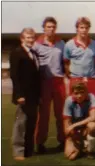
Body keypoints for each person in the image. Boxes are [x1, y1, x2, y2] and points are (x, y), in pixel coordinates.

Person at [33, 17, 66, 153]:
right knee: (44, 115)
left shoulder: (61, 43)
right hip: (45, 82)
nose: (51, 29)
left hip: (59, 81)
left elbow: (65, 63)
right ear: (44, 28)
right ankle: (40, 143)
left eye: (53, 27)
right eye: (48, 27)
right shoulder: (37, 44)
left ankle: (63, 141)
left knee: (61, 114)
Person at [10, 28, 41, 160]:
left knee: (31, 123)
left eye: (32, 37)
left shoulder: (34, 53)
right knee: (20, 123)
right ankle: (18, 151)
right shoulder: (17, 53)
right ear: (22, 39)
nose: (30, 40)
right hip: (23, 96)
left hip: (34, 96)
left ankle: (29, 150)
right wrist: (19, 95)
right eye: (28, 37)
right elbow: (14, 75)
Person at [64, 17, 95, 97]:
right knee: (76, 106)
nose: (84, 30)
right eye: (81, 27)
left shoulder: (94, 44)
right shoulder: (69, 44)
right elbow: (66, 63)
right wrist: (70, 75)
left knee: (91, 106)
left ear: (89, 29)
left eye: (86, 28)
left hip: (90, 79)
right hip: (76, 80)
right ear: (77, 29)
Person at [63, 82, 95, 160]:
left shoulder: (91, 97)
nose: (79, 96)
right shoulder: (68, 101)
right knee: (71, 157)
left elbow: (93, 117)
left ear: (86, 92)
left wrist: (74, 125)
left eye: (82, 92)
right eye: (76, 93)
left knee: (92, 125)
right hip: (74, 132)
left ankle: (89, 152)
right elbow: (67, 126)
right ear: (72, 93)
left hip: (86, 128)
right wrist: (75, 137)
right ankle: (81, 146)